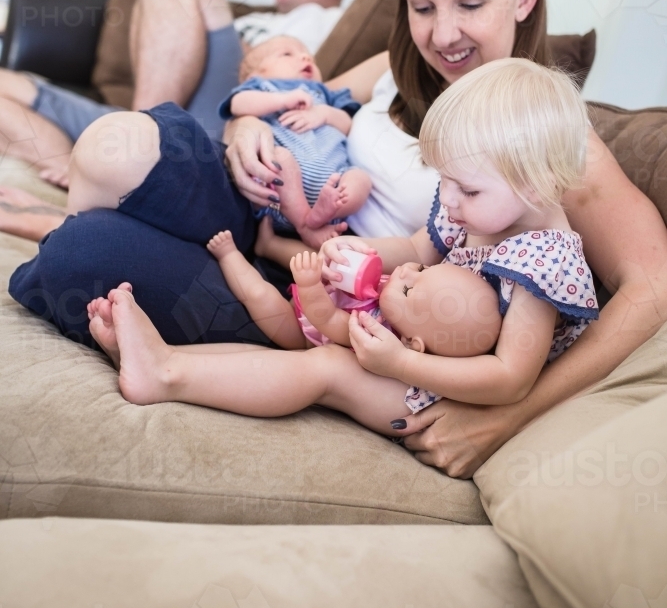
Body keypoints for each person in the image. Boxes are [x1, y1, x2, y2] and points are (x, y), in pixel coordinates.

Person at [8, 0, 667, 478]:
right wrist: (242, 132)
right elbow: (289, 96)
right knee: (114, 143)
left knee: (78, 260)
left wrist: (511, 413)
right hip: (271, 216)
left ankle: (82, 247)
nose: (441, 34)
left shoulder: (546, 145)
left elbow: (652, 286)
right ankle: (66, 213)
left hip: (319, 296)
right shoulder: (396, 64)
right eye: (419, 6)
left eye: (469, 4)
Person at [86, 59, 599, 436]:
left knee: (326, 369)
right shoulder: (480, 207)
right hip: (405, 347)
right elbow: (416, 249)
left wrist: (400, 364)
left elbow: (509, 379)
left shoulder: (545, 261)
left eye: (467, 189)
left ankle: (166, 376)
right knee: (303, 340)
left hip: (439, 395)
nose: (450, 200)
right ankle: (165, 357)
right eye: (444, 181)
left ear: (538, 184)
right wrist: (354, 249)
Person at [0, 0, 361, 199]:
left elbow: (310, 90)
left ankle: (132, 149)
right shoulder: (259, 19)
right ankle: (75, 166)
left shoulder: (327, 23)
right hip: (158, 116)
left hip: (217, 121)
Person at [221, 35, 372, 247]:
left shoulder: (326, 95)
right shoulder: (262, 87)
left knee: (361, 179)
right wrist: (281, 100)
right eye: (287, 54)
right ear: (255, 75)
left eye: (308, 55)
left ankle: (326, 212)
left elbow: (348, 125)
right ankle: (304, 222)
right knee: (279, 158)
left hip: (335, 182)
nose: (305, 57)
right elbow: (237, 104)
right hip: (283, 199)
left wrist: (323, 113)